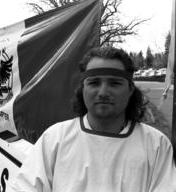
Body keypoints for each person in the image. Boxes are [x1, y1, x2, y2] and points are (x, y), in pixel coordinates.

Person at [12, 47, 176, 192]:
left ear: (131, 89)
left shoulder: (156, 145)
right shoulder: (54, 139)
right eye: (94, 83)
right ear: (83, 88)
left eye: (114, 83)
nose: (103, 92)